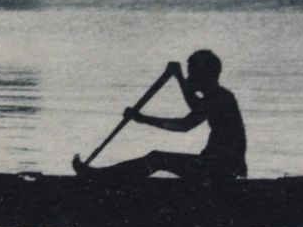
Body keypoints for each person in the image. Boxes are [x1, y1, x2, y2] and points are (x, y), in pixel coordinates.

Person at [73, 49, 246, 184]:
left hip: (216, 169)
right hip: (219, 167)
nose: (189, 77)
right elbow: (196, 108)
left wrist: (141, 118)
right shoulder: (220, 96)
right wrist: (179, 78)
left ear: (203, 76)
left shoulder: (219, 97)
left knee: (157, 158)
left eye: (191, 73)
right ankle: (101, 176)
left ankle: (98, 177)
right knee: (157, 159)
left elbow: (185, 125)